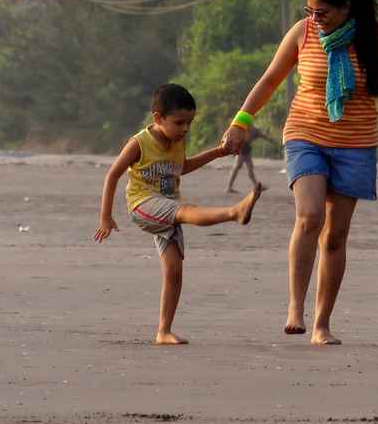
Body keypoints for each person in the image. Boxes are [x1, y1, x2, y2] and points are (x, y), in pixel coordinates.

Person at [221, 0, 378, 345]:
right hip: (305, 134)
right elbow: (270, 79)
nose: (314, 19)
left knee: (335, 237)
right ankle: (295, 308)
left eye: (321, 13)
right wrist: (241, 121)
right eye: (309, 10)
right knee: (309, 216)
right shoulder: (302, 33)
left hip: (356, 145)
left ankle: (322, 325)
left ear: (346, 8)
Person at [95, 83, 264, 345]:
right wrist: (105, 216)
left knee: (174, 271)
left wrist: (218, 152)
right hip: (144, 205)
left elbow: (182, 167)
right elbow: (112, 175)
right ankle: (234, 212)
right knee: (186, 211)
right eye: (179, 122)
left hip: (168, 206)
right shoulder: (139, 143)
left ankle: (163, 331)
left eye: (189, 123)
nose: (185, 129)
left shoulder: (178, 141)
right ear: (158, 118)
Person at [225, 126, 270, 194]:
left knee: (249, 168)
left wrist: (269, 137)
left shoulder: (254, 130)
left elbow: (263, 136)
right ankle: (229, 188)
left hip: (246, 150)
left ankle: (256, 185)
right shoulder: (243, 129)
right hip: (241, 149)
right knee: (237, 166)